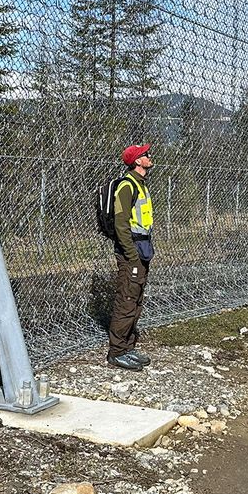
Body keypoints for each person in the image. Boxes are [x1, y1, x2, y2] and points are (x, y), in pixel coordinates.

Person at [107, 143, 155, 371]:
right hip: (131, 253)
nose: (149, 156)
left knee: (135, 299)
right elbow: (121, 224)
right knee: (126, 300)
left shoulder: (140, 184)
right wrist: (131, 254)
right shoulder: (126, 186)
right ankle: (116, 352)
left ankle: (128, 346)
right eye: (145, 154)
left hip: (142, 249)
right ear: (137, 161)